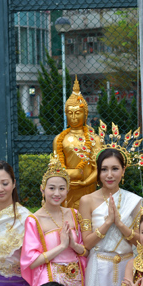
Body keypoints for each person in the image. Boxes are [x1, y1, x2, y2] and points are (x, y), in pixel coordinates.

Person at [79, 147, 143, 286]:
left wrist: (121, 225)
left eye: (115, 168)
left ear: (123, 171)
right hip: (99, 267)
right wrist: (107, 223)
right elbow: (87, 243)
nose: (109, 174)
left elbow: (141, 242)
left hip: (127, 265)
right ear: (98, 173)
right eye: (104, 169)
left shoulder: (134, 201)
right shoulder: (87, 201)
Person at [21, 154, 88, 286]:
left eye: (61, 188)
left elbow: (84, 251)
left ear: (67, 190)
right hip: (50, 275)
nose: (57, 193)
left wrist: (74, 246)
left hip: (76, 276)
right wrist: (62, 247)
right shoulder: (34, 220)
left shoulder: (73, 214)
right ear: (42, 189)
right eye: (51, 188)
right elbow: (32, 261)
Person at [53, 78, 103, 209]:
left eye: (78, 113)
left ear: (85, 114)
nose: (74, 117)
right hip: (66, 189)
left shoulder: (94, 139)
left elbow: (99, 168)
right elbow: (54, 167)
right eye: (70, 113)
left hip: (88, 187)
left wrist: (85, 182)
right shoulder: (60, 139)